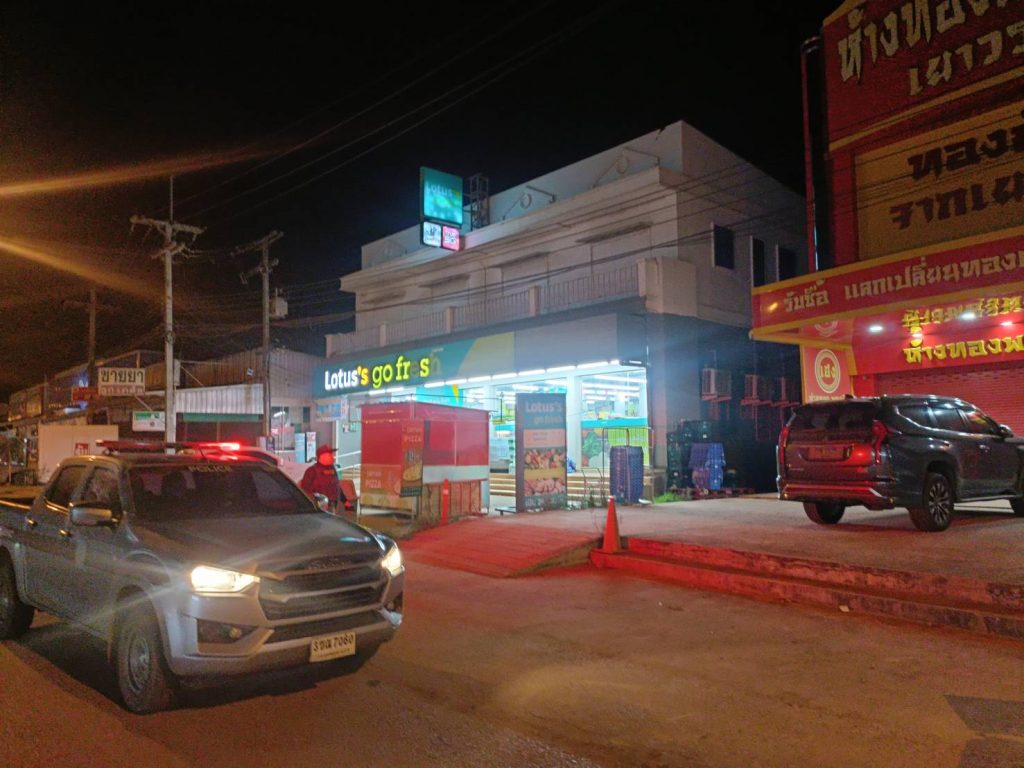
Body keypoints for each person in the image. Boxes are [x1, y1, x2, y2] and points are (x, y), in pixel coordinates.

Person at [301, 444, 347, 513]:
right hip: (318, 507)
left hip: (333, 505)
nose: (332, 457)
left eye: (331, 454)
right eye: (329, 454)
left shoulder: (332, 469)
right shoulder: (312, 471)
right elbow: (305, 491)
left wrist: (346, 504)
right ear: (321, 456)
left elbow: (337, 486)